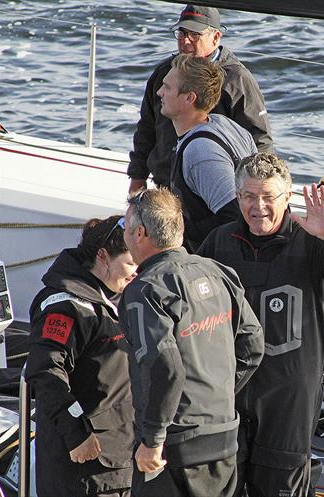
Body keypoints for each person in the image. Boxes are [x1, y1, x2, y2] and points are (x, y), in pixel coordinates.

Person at [198, 154, 324, 497]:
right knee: (222, 480)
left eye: (268, 197)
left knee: (281, 483)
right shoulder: (220, 241)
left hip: (289, 395)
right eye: (248, 196)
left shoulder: (310, 239)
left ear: (286, 197)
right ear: (237, 197)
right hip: (229, 387)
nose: (257, 206)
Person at [118, 188, 264, 497]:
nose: (124, 235)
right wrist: (217, 393)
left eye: (124, 227)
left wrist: (153, 441)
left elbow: (165, 367)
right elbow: (252, 344)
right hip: (224, 435)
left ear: (140, 233)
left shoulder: (145, 291)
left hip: (175, 446)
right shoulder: (219, 273)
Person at [26, 215, 137, 497]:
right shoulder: (65, 305)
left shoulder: (117, 297)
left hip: (120, 460)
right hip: (85, 467)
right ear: (103, 256)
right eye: (131, 262)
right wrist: (77, 433)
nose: (137, 270)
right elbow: (46, 371)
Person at [128, 4, 273, 192]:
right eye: (181, 33)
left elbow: (260, 140)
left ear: (216, 37)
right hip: (165, 187)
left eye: (194, 34)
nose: (185, 41)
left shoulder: (236, 80)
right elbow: (146, 129)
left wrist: (256, 191)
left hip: (211, 189)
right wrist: (137, 177)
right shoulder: (165, 74)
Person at [160, 53, 257, 251]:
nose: (159, 93)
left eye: (167, 87)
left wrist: (175, 230)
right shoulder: (226, 124)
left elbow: (235, 216)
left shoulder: (201, 151)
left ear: (189, 98)